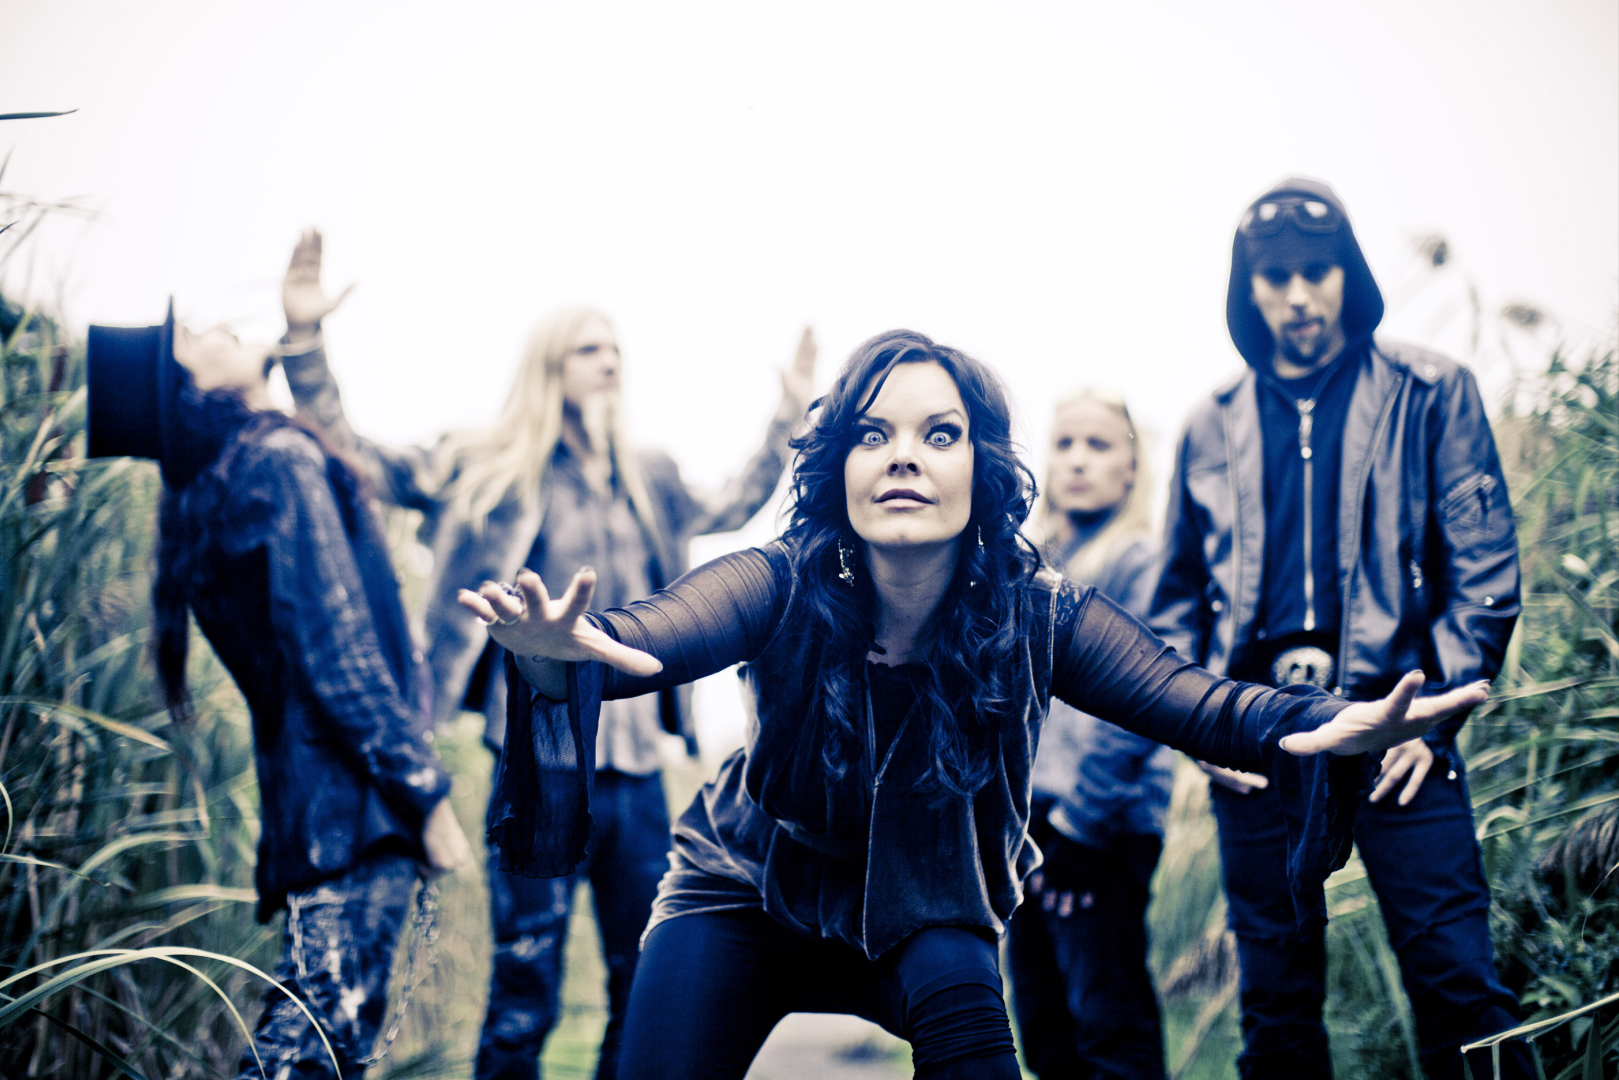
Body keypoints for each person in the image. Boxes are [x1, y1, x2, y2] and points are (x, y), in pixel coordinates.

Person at [459, 328, 1490, 1080]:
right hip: (745, 893)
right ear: (840, 470)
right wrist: (574, 652)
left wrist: (1317, 721)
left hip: (928, 903)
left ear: (979, 470)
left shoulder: (1035, 611)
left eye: (938, 433)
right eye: (872, 434)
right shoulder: (780, 580)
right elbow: (652, 636)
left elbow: (1195, 702)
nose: (902, 454)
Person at [274, 231, 816, 1080]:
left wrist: (790, 415)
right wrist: (305, 342)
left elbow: (735, 501)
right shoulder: (486, 462)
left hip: (635, 764)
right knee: (527, 982)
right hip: (539, 755)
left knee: (646, 971)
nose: (609, 362)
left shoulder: (648, 474)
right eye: (588, 348)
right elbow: (357, 454)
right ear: (549, 366)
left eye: (615, 348)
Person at [1148, 177, 1529, 1079]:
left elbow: (1481, 573)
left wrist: (1434, 718)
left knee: (1459, 987)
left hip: (1402, 735)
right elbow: (1173, 603)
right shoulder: (1207, 426)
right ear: (1246, 287)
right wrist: (1203, 730)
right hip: (1259, 744)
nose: (1296, 294)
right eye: (1273, 276)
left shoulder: (1432, 392)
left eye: (1315, 271)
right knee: (1274, 1015)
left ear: (1347, 273)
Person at [85, 305, 472, 1080]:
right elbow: (337, 651)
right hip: (354, 810)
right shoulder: (279, 462)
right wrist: (425, 793)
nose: (218, 328)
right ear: (192, 390)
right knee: (312, 1045)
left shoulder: (220, 486)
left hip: (318, 812)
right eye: (193, 339)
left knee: (319, 1037)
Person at [1008, 389, 1173, 1079]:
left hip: (1100, 829)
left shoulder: (1141, 562)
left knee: (1109, 1027)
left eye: (1098, 445)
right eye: (1065, 444)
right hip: (1029, 829)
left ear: (1131, 468)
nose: (1077, 460)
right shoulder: (1031, 567)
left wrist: (1081, 829)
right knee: (1045, 1033)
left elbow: (1138, 708)